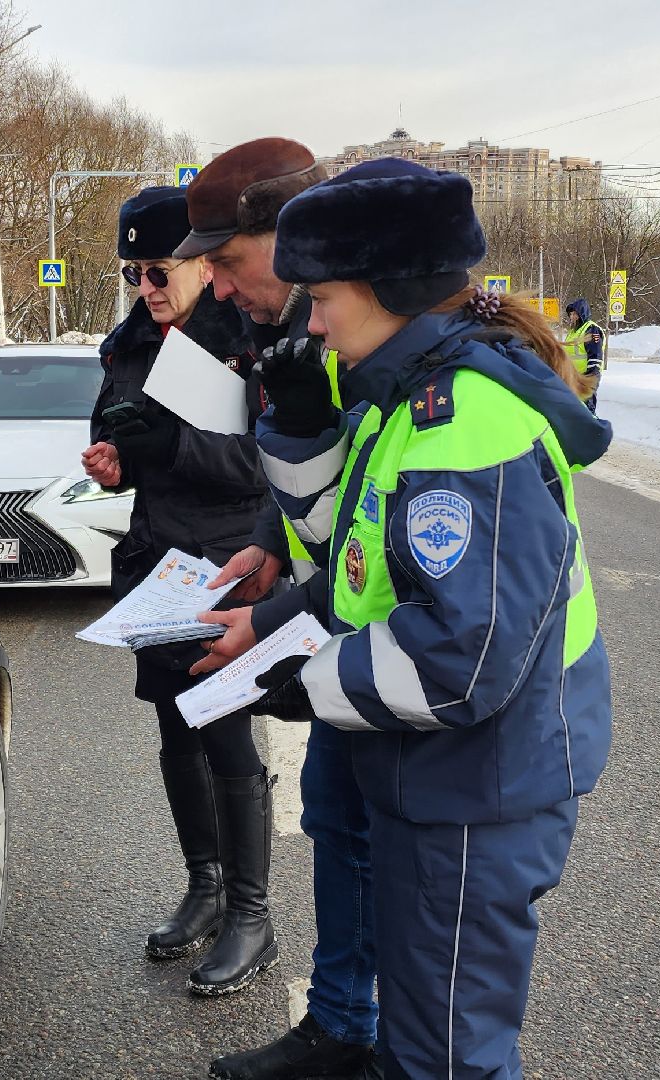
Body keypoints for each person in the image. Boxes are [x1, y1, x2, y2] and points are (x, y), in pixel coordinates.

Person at [195, 158, 612, 1079]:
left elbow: (457, 662)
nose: (312, 320)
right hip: (442, 774)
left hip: (478, 783)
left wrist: (285, 679)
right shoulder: (405, 397)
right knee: (420, 1036)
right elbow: (360, 580)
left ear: (389, 291)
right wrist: (263, 632)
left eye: (325, 296)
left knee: (446, 1056)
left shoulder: (462, 418)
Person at [175, 139, 384, 1080]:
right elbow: (303, 475)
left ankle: (375, 1035)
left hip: (389, 649)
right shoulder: (305, 335)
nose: (216, 286)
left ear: (291, 238)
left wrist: (276, 624)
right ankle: (338, 1027)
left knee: (414, 892)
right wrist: (268, 532)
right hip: (343, 630)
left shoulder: (366, 340)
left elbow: (372, 520)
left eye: (226, 260)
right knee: (337, 827)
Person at [81, 184, 282, 996]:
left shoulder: (246, 336)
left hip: (230, 558)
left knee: (223, 728)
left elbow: (265, 465)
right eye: (132, 272)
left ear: (201, 265)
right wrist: (111, 462)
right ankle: (203, 885)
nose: (146, 287)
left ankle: (250, 913)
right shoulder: (127, 340)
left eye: (159, 269)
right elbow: (110, 431)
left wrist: (171, 445)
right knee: (173, 726)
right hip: (155, 558)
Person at [564, 298, 605, 411]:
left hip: (586, 377)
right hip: (573, 377)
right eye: (570, 314)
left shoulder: (591, 330)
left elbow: (595, 356)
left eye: (575, 314)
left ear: (582, 313)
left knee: (586, 411)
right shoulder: (573, 332)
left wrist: (590, 378)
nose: (572, 317)